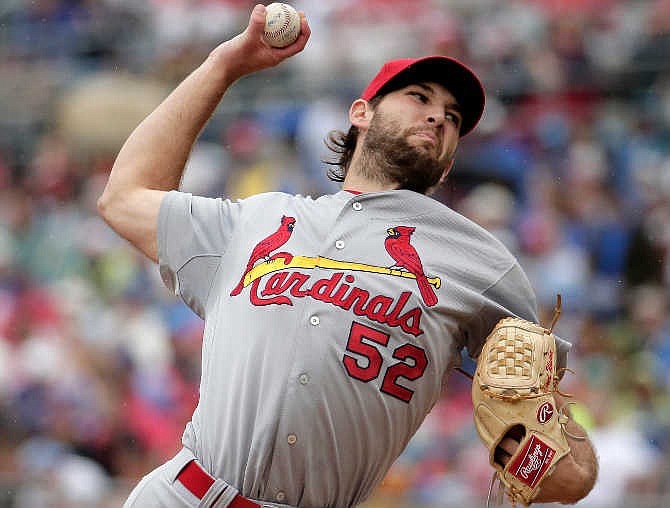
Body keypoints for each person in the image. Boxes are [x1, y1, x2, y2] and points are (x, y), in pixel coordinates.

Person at [98, 4, 598, 507]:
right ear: (361, 113)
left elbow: (568, 475)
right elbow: (123, 198)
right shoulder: (259, 220)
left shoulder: (482, 264)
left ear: (447, 166)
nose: (437, 117)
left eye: (452, 118)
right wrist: (222, 66)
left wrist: (532, 449)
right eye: (419, 98)